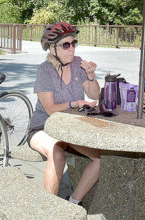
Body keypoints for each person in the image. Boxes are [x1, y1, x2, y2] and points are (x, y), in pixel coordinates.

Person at [27, 22, 101, 205]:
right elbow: (50, 108)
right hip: (43, 127)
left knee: (100, 158)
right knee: (57, 153)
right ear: (52, 48)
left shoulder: (77, 65)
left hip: (70, 130)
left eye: (73, 43)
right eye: (65, 45)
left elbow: (94, 94)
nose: (72, 49)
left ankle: (73, 201)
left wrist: (91, 76)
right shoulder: (45, 70)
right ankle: (50, 209)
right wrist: (74, 103)